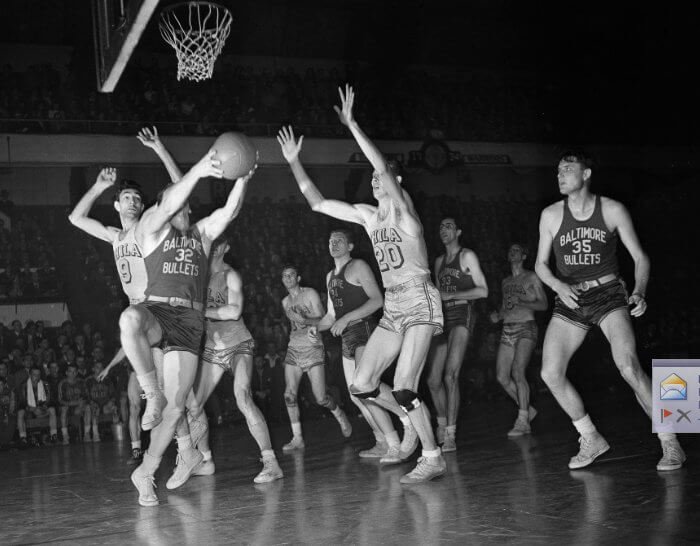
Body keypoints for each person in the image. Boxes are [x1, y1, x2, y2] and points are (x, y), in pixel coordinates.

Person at [277, 84, 445, 483]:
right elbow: (318, 204)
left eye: (380, 176)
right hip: (394, 307)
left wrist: (352, 125)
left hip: (420, 299)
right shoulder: (370, 220)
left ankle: (432, 453)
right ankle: (411, 421)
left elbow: (384, 168)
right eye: (370, 177)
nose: (374, 180)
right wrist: (293, 162)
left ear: (395, 181)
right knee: (363, 384)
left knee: (404, 385)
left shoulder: (405, 216)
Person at [534, 149, 686, 471]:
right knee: (550, 372)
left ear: (586, 174)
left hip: (608, 293)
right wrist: (559, 287)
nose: (560, 174)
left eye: (567, 169)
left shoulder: (613, 209)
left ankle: (671, 442)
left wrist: (640, 290)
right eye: (557, 170)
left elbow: (641, 258)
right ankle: (590, 437)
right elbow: (540, 265)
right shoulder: (550, 215)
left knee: (628, 367)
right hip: (571, 296)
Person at [126, 150, 253, 506]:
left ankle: (147, 472)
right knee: (129, 319)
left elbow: (228, 211)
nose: (183, 209)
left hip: (189, 323)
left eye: (185, 205)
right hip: (157, 311)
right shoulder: (150, 228)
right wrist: (197, 169)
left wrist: (243, 177)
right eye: (176, 202)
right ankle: (150, 390)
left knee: (177, 407)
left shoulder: (201, 235)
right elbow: (169, 204)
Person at [68, 127, 180, 432]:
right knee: (182, 403)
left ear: (142, 207)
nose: (132, 200)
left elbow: (179, 188)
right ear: (117, 205)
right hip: (145, 317)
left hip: (162, 310)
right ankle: (188, 449)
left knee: (129, 321)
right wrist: (97, 187)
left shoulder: (147, 226)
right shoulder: (115, 236)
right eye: (126, 196)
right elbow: (75, 219)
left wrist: (159, 148)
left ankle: (155, 397)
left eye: (136, 198)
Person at [310, 229, 418, 460]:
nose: (334, 244)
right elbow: (330, 316)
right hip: (345, 334)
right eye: (331, 240)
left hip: (363, 329)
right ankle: (385, 442)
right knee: (356, 395)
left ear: (350, 246)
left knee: (365, 387)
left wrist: (346, 318)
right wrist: (314, 327)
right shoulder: (330, 276)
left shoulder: (357, 266)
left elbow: (377, 300)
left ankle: (409, 420)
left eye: (339, 240)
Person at [184, 236, 283, 483]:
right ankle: (205, 461)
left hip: (239, 343)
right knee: (194, 407)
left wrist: (199, 311)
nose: (212, 246)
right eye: (209, 241)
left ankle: (271, 463)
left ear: (226, 248)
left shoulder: (231, 276)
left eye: (218, 243)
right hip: (213, 348)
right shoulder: (197, 276)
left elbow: (234, 310)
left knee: (243, 397)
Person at [427, 217, 487, 452]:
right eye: (441, 226)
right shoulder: (439, 261)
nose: (444, 229)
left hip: (463, 313)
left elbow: (483, 290)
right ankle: (441, 424)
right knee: (432, 380)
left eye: (449, 226)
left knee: (450, 376)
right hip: (442, 318)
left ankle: (450, 434)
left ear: (459, 231)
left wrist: (451, 296)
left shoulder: (467, 256)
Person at [279, 264, 352, 450]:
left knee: (320, 398)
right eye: (284, 276)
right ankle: (297, 438)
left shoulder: (310, 293)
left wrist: (306, 321)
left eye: (291, 275)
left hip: (313, 347)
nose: (287, 279)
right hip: (294, 348)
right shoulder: (285, 302)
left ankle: (339, 414)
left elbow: (324, 319)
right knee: (289, 395)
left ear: (298, 278)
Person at [489, 243, 546, 436]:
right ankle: (528, 409)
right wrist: (498, 315)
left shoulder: (531, 277)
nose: (512, 252)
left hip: (526, 327)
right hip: (508, 329)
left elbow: (544, 304)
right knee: (502, 377)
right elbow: (507, 308)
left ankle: (523, 421)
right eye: (510, 250)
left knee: (517, 371)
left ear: (523, 256)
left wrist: (523, 301)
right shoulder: (505, 282)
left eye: (516, 250)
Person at [16, 367, 57, 445]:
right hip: (29, 409)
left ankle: (53, 435)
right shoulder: (24, 385)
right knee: (20, 412)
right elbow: (22, 401)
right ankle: (23, 438)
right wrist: (32, 408)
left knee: (52, 409)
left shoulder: (45, 384)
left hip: (42, 409)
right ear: (30, 375)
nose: (37, 377)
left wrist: (43, 407)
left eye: (38, 375)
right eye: (34, 374)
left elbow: (49, 399)